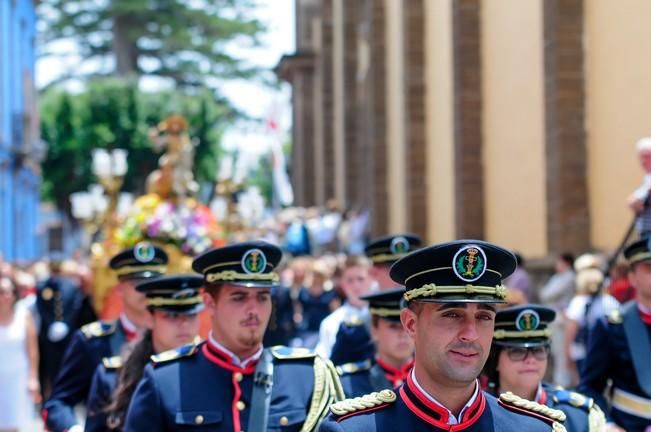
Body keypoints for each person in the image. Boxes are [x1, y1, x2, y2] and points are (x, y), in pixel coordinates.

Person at [320, 240, 567, 431]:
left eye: (483, 317)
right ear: (411, 324)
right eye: (452, 315)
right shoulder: (353, 428)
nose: (470, 334)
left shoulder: (534, 428)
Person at [124, 241, 344, 431]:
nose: (253, 310)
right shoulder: (166, 379)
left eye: (262, 297)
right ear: (210, 303)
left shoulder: (307, 376)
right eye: (239, 298)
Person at [43, 242, 168, 432]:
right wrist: (73, 428)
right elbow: (59, 403)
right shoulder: (92, 341)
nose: (147, 291)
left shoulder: (177, 338)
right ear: (120, 287)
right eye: (138, 283)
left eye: (154, 283)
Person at [85, 274, 204, 432]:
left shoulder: (215, 370)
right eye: (172, 316)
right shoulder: (114, 375)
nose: (184, 324)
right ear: (149, 318)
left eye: (191, 315)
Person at [483, 304, 604, 431]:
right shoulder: (476, 412)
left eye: (538, 350)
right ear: (494, 359)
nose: (530, 360)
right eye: (517, 352)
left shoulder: (577, 416)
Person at [579, 238, 651, 431]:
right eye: (649, 269)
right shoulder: (611, 325)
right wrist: (608, 424)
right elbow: (590, 386)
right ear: (633, 277)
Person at [35, 256, 97, 399]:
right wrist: (51, 324)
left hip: (68, 338)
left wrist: (66, 324)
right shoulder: (43, 286)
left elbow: (75, 307)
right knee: (51, 372)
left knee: (68, 369)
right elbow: (42, 308)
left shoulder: (70, 286)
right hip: (49, 340)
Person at [337, 288, 414, 397]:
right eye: (393, 327)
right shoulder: (349, 382)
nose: (403, 333)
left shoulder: (433, 377)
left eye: (408, 325)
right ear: (374, 331)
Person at [564, 255, 619, 383]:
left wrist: (566, 355)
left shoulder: (578, 302)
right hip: (607, 352)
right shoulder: (610, 302)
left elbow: (571, 331)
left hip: (582, 353)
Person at [315, 255, 374, 361]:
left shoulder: (381, 316)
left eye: (361, 279)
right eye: (350, 280)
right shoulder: (330, 323)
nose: (356, 285)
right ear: (342, 284)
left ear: (371, 279)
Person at [0, 276, 40, 431]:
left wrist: (33, 378)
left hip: (18, 378)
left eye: (10, 291)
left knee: (14, 423)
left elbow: (32, 349)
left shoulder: (24, 315)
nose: (6, 296)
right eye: (2, 292)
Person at [539, 253, 576, 388]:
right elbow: (544, 295)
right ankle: (559, 380)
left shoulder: (569, 277)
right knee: (555, 351)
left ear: (566, 263)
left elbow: (549, 293)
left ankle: (563, 382)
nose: (556, 265)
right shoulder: (558, 277)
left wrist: (546, 294)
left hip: (562, 319)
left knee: (562, 352)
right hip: (555, 318)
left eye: (559, 262)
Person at [627, 136, 651, 238]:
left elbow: (637, 202)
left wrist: (634, 200)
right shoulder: (647, 178)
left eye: (647, 156)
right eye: (641, 157)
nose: (643, 161)